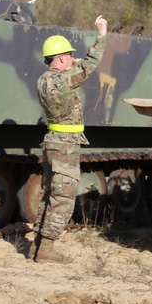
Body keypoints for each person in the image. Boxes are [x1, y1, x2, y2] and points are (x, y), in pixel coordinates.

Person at [32, 16, 108, 263]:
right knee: (63, 198)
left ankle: (37, 245)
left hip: (52, 140)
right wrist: (102, 34)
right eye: (68, 55)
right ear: (63, 57)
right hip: (65, 145)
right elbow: (91, 64)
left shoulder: (43, 80)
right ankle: (46, 250)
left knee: (48, 195)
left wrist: (71, 64)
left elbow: (71, 73)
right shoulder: (65, 78)